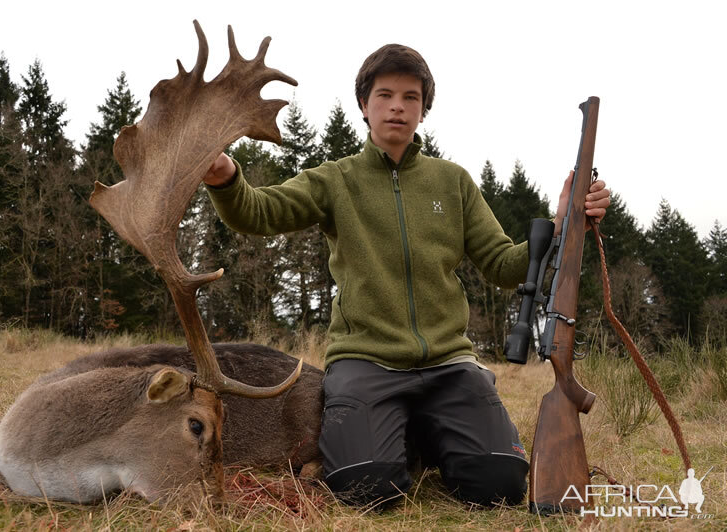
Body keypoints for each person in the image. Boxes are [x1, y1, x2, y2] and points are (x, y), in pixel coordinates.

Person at [203, 43, 610, 507]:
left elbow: (503, 265)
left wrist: (562, 224)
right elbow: (257, 212)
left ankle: (430, 429)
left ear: (423, 109)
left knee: (498, 485)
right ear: (364, 104)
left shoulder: (453, 181)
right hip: (365, 362)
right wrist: (225, 177)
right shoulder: (334, 180)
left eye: (411, 97)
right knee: (367, 490)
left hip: (449, 364)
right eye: (385, 95)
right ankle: (405, 436)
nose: (398, 106)